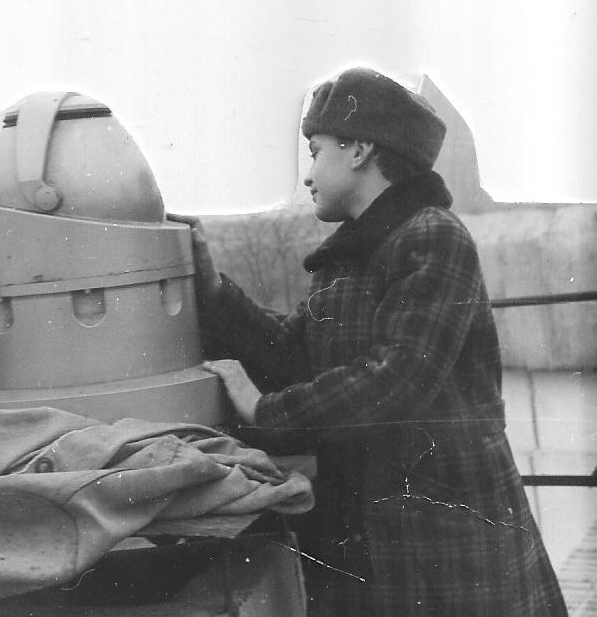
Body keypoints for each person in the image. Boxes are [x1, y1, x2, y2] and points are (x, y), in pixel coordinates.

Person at [173, 68, 566, 616]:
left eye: (316, 152)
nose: (307, 175)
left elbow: (396, 377)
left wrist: (266, 411)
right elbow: (293, 352)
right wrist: (213, 290)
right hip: (376, 527)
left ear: (359, 149)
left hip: (446, 530)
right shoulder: (347, 258)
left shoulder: (434, 235)